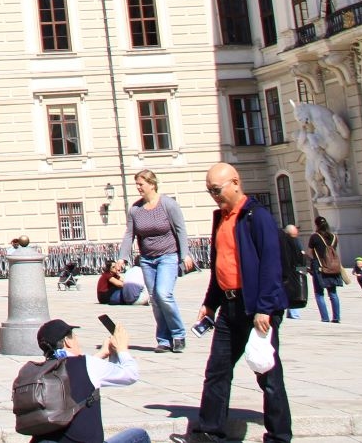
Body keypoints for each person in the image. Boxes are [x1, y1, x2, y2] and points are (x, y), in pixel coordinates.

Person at [177, 162, 290, 443]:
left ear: (235, 183)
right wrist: (210, 303)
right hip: (229, 307)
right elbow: (220, 266)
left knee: (267, 372)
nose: (214, 196)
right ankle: (210, 431)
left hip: (256, 308)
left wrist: (264, 308)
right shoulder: (222, 218)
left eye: (217, 190)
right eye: (209, 191)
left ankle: (279, 436)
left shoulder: (256, 216)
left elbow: (271, 265)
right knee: (217, 369)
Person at [30, 318, 149, 443]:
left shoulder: (39, 372)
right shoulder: (87, 365)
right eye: (74, 337)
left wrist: (102, 353)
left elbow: (77, 371)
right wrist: (122, 349)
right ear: (67, 341)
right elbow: (131, 374)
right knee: (139, 435)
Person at [123, 168, 193, 351]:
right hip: (147, 259)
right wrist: (122, 258)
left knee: (164, 294)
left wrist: (185, 254)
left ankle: (178, 334)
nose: (138, 187)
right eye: (136, 184)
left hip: (168, 256)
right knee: (155, 299)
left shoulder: (168, 204)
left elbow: (181, 229)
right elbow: (129, 235)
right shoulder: (135, 209)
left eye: (141, 184)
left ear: (152, 184)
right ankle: (164, 339)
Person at [305, 215, 342, 324]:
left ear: (316, 225)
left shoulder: (315, 237)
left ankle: (325, 317)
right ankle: (336, 317)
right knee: (333, 293)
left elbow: (310, 253)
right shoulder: (334, 237)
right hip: (333, 267)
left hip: (320, 267)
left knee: (319, 293)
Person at [279, 225, 307, 320]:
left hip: (291, 271)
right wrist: (303, 272)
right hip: (293, 271)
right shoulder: (295, 242)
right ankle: (294, 313)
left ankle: (294, 313)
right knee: (294, 290)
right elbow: (302, 258)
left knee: (292, 290)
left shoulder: (285, 242)